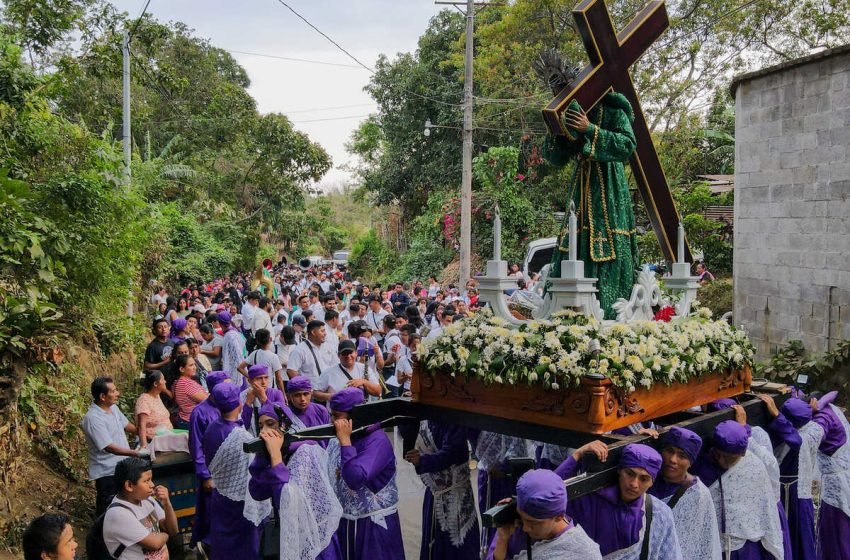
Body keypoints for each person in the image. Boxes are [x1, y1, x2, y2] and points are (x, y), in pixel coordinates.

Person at [542, 85, 640, 319]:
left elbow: (628, 144)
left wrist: (590, 129)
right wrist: (557, 130)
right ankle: (566, 312)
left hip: (609, 184)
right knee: (575, 241)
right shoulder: (570, 111)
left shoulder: (614, 108)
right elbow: (555, 157)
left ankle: (610, 311)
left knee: (610, 242)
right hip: (581, 186)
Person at [554, 442, 683, 559]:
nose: (634, 484)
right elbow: (548, 495)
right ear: (619, 470)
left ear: (651, 482)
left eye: (643, 479)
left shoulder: (658, 512)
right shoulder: (588, 500)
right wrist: (577, 455)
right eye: (630, 473)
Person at [247, 404, 343, 560]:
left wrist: (276, 459)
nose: (264, 432)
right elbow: (257, 492)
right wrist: (265, 458)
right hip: (289, 531)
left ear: (284, 425)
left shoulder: (305, 451)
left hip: (314, 536)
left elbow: (287, 499)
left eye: (270, 424)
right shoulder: (276, 451)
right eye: (260, 426)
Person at [327, 388, 405, 559]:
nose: (333, 421)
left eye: (337, 416)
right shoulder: (344, 436)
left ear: (355, 416)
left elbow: (355, 478)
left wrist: (346, 444)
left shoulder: (377, 440)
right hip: (348, 522)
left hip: (373, 527)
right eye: (331, 415)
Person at [691, 420, 784, 559]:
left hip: (746, 549)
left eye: (729, 458)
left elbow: (766, 509)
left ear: (742, 454)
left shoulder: (754, 466)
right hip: (712, 547)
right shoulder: (701, 465)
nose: (722, 461)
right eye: (718, 455)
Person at [202, 383, 271, 559]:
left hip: (220, 497)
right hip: (241, 503)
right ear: (239, 404)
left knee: (224, 546)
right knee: (244, 549)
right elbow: (256, 469)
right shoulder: (242, 438)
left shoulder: (212, 429)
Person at [756, 393, 823, 560]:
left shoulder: (799, 437)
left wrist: (776, 414)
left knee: (792, 534)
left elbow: (794, 439)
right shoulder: (814, 427)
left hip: (791, 493)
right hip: (801, 490)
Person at [404, 419, 480, 560]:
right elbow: (408, 437)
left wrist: (423, 460)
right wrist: (409, 413)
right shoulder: (425, 415)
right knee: (434, 541)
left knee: (457, 547)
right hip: (435, 493)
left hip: (456, 494)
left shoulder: (454, 419)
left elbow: (452, 452)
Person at [490, 469, 602, 559]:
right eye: (522, 518)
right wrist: (502, 539)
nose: (525, 528)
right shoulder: (516, 529)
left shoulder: (584, 553)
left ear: (559, 517)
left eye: (533, 522)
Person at [649, 427, 722, 560]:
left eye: (682, 456)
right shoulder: (646, 481)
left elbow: (695, 541)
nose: (673, 459)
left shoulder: (698, 493)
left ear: (691, 462)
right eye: (669, 451)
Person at [82, 377, 143, 515]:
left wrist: (145, 432)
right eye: (113, 391)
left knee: (122, 506)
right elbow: (108, 446)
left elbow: (127, 425)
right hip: (107, 471)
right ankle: (101, 535)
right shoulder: (93, 418)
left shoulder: (113, 408)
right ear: (103, 396)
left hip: (121, 466)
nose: (117, 393)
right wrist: (135, 453)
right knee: (107, 509)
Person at [187, 371, 231, 554]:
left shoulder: (229, 406)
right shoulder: (199, 412)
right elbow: (195, 446)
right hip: (212, 472)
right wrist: (205, 475)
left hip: (230, 471)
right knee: (210, 513)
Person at [102, 457, 178, 559]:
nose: (152, 485)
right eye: (146, 481)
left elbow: (173, 530)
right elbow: (155, 543)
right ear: (129, 485)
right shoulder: (119, 514)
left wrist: (167, 504)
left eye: (151, 479)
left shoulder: (147, 500)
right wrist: (165, 534)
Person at [810, 391, 850, 559]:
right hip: (844, 475)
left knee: (837, 531)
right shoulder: (833, 409)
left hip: (837, 484)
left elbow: (807, 442)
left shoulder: (823, 419)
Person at [316, 339, 382, 402]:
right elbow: (315, 393)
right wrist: (332, 396)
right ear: (338, 355)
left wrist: (364, 382)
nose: (348, 356)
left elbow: (378, 391)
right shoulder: (328, 372)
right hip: (339, 412)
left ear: (356, 353)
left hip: (362, 411)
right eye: (345, 353)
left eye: (350, 352)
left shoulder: (365, 368)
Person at [240, 364, 287, 436]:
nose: (263, 382)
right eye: (259, 378)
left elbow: (283, 419)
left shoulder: (276, 393)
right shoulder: (242, 396)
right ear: (249, 381)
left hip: (273, 437)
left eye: (266, 378)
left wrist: (265, 400)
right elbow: (244, 426)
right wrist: (248, 403)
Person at [287, 319, 332, 387]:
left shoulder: (328, 347)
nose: (325, 333)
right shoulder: (300, 350)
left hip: (328, 390)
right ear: (313, 332)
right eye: (322, 331)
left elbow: (335, 365)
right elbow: (291, 371)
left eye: (325, 330)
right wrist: (305, 387)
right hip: (311, 393)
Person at [135, 370, 173, 448]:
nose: (165, 381)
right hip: (152, 442)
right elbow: (141, 425)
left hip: (165, 439)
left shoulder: (157, 396)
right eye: (163, 379)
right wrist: (144, 445)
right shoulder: (144, 399)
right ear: (155, 384)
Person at [172, 354, 209, 430]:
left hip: (186, 419)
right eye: (191, 365)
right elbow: (208, 400)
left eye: (194, 364)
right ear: (182, 369)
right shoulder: (186, 384)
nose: (195, 367)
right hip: (192, 422)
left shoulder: (181, 381)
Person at [219, 311, 246, 388]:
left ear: (220, 323)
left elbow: (237, 356)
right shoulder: (234, 332)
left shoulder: (230, 335)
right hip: (237, 368)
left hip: (235, 370)